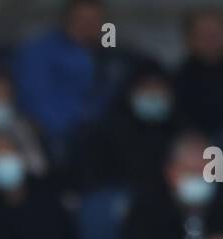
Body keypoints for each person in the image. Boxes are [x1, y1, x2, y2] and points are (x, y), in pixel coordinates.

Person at [12, 0, 133, 167]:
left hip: (104, 140)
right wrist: (76, 128)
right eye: (81, 19)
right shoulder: (40, 51)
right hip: (58, 138)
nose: (88, 26)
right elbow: (34, 99)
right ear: (66, 20)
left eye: (94, 20)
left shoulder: (110, 54)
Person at [70, 61, 184, 192]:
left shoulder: (181, 131)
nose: (153, 94)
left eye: (158, 88)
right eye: (146, 87)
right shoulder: (104, 133)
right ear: (131, 92)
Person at [174, 8, 223, 139]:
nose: (211, 39)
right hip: (207, 147)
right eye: (204, 34)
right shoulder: (179, 79)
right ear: (189, 39)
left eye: (216, 33)